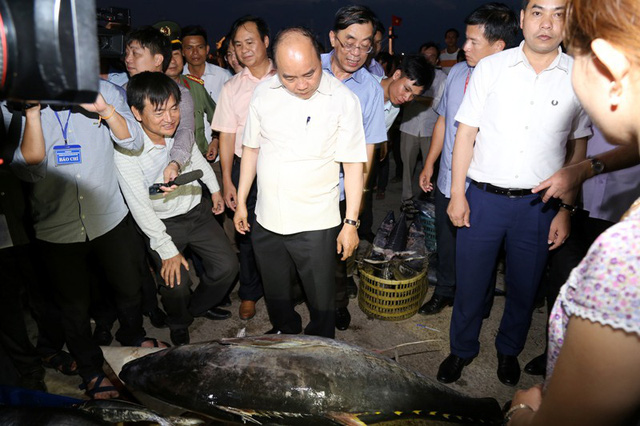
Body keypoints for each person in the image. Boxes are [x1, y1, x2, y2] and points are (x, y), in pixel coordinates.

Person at [439, 0, 592, 386]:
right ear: (523, 19)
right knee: (472, 282)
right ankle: (461, 350)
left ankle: (509, 350)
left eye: (558, 14)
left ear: (568, 23)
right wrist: (458, 194)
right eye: (538, 12)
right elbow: (466, 134)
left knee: (525, 287)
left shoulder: (578, 76)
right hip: (484, 200)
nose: (547, 23)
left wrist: (566, 210)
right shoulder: (492, 67)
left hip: (540, 205)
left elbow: (578, 147)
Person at [506, 0, 640, 424]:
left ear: (608, 69)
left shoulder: (626, 256)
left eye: (576, 55)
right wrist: (585, 168)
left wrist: (523, 411)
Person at [11, 81, 167, 399]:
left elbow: (133, 140)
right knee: (74, 307)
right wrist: (32, 113)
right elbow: (28, 170)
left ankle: (133, 336)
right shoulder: (15, 102)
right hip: (57, 227)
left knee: (128, 286)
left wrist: (106, 110)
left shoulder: (105, 90)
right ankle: (91, 369)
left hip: (109, 215)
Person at [234, 26, 366, 339]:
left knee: (320, 296)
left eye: (309, 74)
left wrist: (351, 223)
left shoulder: (343, 100)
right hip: (267, 217)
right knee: (276, 290)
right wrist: (241, 202)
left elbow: (354, 165)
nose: (301, 85)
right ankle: (284, 329)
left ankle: (321, 342)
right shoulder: (264, 92)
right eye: (289, 77)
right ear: (276, 68)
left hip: (316, 222)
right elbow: (251, 149)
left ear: (320, 59)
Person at [114, 72, 238, 346]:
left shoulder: (177, 134)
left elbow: (195, 160)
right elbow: (140, 207)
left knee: (228, 266)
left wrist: (215, 189)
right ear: (136, 112)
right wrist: (166, 249)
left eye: (173, 108)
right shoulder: (126, 153)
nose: (169, 117)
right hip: (162, 224)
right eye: (158, 112)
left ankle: (196, 308)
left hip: (196, 211)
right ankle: (178, 321)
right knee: (176, 284)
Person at [418, 3, 519, 316]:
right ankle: (445, 290)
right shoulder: (458, 72)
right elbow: (443, 120)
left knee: (482, 252)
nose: (464, 47)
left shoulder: (513, 83)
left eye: (474, 42)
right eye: (466, 39)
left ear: (498, 46)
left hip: (482, 185)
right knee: (446, 244)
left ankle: (479, 301)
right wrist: (430, 163)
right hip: (449, 177)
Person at [321, 4, 386, 331]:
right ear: (333, 38)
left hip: (343, 184)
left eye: (365, 45)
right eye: (349, 42)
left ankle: (337, 304)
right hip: (302, 183)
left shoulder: (371, 89)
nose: (356, 52)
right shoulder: (309, 69)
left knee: (338, 254)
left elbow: (368, 148)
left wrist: (356, 201)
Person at [212, 15, 276, 321]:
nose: (244, 49)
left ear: (266, 41)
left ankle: (283, 289)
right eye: (238, 45)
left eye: (250, 42)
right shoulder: (232, 88)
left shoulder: (287, 79)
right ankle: (250, 292)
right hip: (243, 168)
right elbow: (226, 135)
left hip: (282, 167)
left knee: (283, 231)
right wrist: (227, 179)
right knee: (246, 233)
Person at [399, 42, 447, 204]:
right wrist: (425, 99)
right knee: (407, 167)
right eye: (425, 55)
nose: (428, 59)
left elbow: (439, 104)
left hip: (430, 130)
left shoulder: (442, 78)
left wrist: (415, 97)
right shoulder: (409, 75)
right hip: (409, 127)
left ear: (437, 60)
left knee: (429, 167)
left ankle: (426, 199)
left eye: (432, 56)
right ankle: (407, 200)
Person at [181, 25, 232, 104]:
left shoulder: (223, 77)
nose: (195, 52)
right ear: (183, 51)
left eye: (200, 47)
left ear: (207, 49)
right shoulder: (178, 79)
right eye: (189, 48)